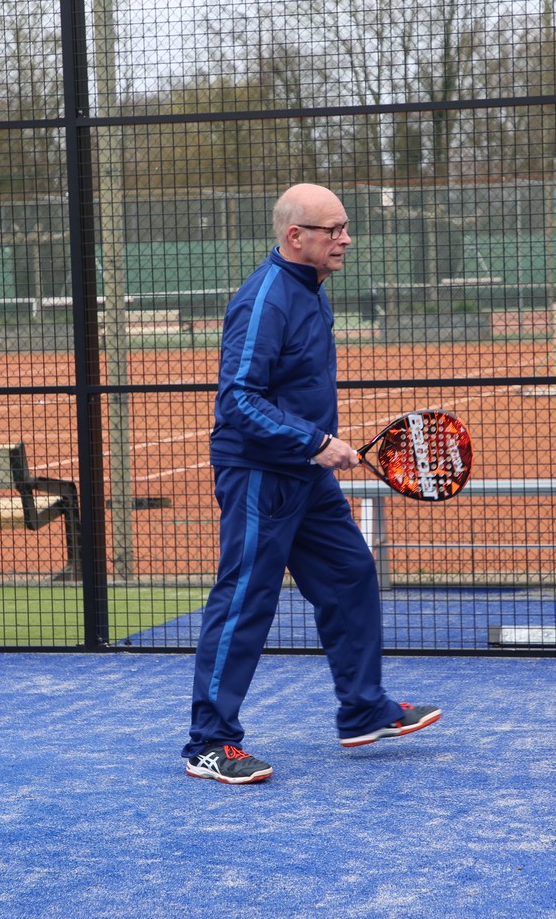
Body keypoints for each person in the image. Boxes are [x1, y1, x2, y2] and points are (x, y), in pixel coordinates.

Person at [182, 183, 441, 784]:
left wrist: (313, 448)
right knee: (245, 599)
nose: (346, 239)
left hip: (304, 473)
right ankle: (209, 743)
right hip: (260, 474)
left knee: (350, 571)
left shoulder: (312, 292)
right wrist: (315, 442)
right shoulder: (265, 299)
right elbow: (238, 399)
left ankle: (363, 709)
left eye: (346, 227)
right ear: (296, 236)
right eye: (334, 230)